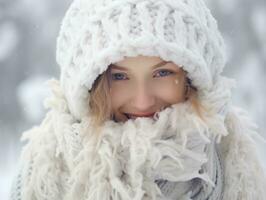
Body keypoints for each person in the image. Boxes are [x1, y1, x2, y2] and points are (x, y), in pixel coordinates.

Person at [9, 0, 266, 199]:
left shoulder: (232, 165)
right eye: (120, 77)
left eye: (162, 73)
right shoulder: (44, 173)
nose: (143, 101)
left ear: (192, 80)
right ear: (88, 88)